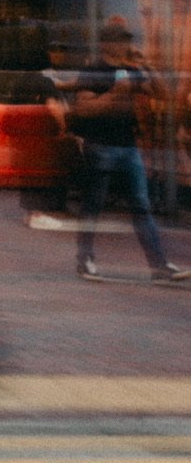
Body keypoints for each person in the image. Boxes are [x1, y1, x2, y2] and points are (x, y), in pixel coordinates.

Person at [63, 18, 187, 283]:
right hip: (100, 145)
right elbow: (84, 108)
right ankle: (84, 260)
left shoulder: (132, 70)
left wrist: (148, 67)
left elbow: (164, 95)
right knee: (93, 206)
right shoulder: (94, 70)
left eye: (128, 40)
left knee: (141, 206)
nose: (126, 45)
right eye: (121, 40)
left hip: (128, 147)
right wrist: (115, 95)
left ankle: (159, 265)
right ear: (107, 43)